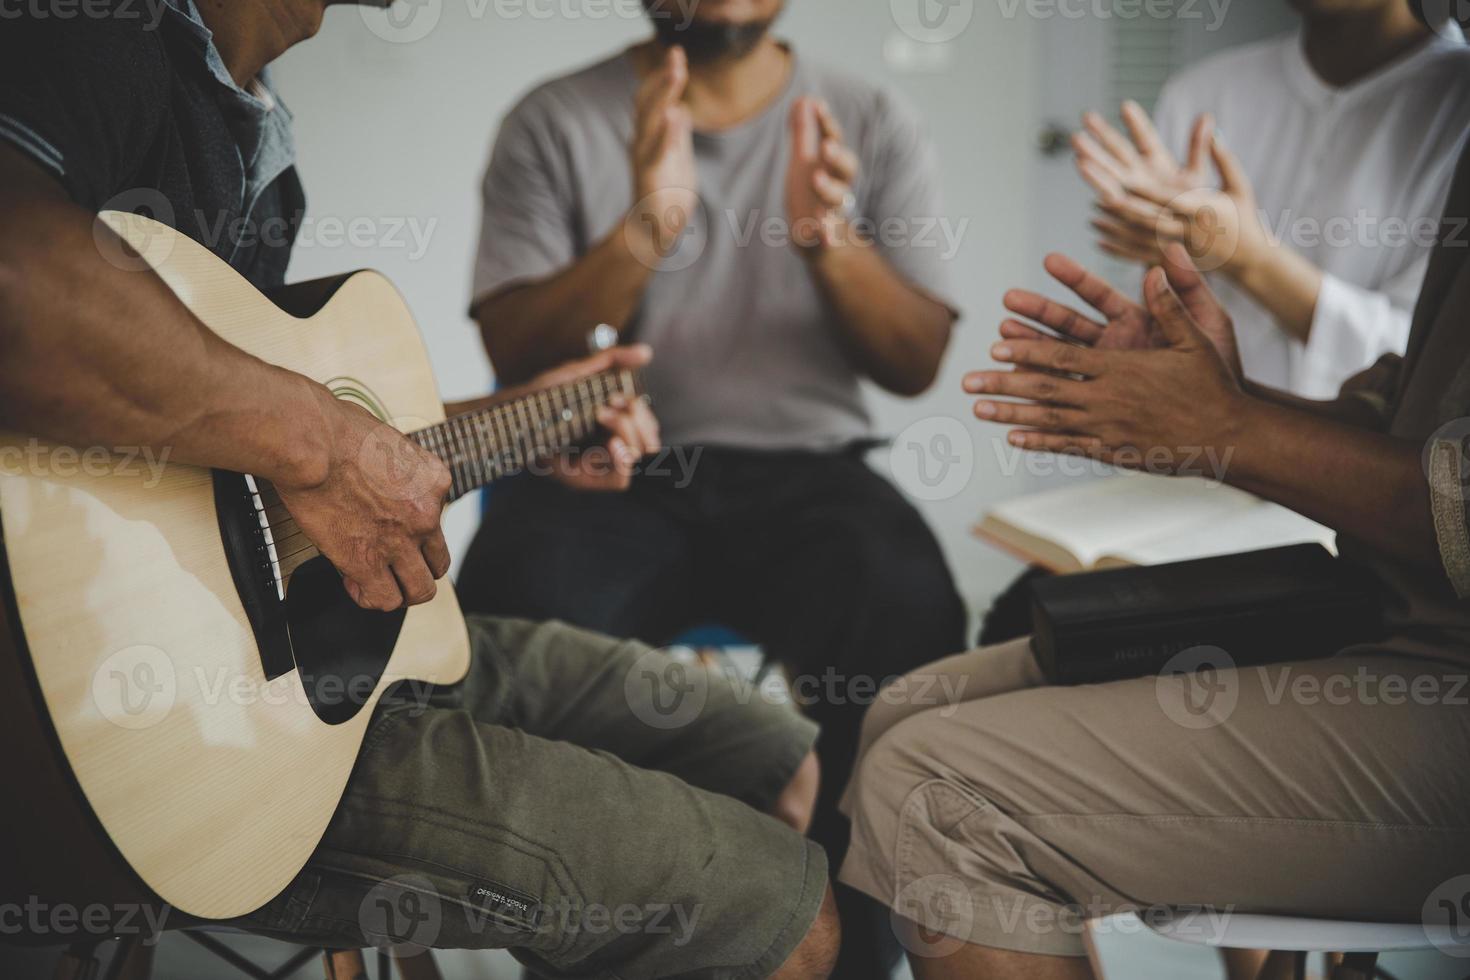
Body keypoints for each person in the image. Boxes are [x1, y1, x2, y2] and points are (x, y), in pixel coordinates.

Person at [0, 2, 841, 976]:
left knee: (778, 757)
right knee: (789, 912)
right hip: (202, 736)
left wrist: (516, 422)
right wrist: (324, 447)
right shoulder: (89, 35)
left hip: (349, 656)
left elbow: (231, 445)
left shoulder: (261, 155)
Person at [837, 165, 1470, 976]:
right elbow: (1406, 419)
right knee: (908, 708)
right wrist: (1225, 397)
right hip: (1377, 607)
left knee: (938, 796)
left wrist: (1231, 430)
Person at [458, 1, 967, 971]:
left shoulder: (870, 114)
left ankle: (842, 955)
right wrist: (646, 227)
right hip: (602, 474)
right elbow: (515, 352)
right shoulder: (555, 118)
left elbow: (915, 359)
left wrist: (829, 239)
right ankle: (599, 946)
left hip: (810, 477)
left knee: (907, 617)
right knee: (509, 625)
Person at [1072, 0, 1470, 399]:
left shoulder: (1457, 112)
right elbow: (1162, 316)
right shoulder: (1204, 92)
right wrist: (1171, 255)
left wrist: (1249, 257)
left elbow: (1432, 367)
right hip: (1197, 442)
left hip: (1366, 454)